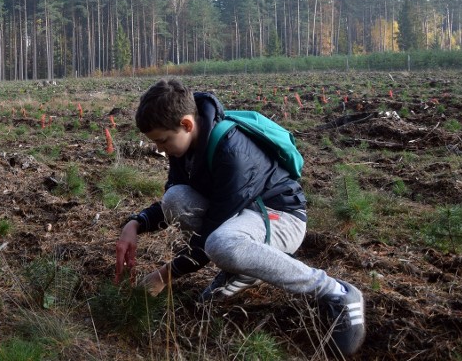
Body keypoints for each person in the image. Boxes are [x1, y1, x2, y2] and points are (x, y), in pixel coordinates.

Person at [115, 79, 366, 357]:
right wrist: (136, 223)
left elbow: (209, 235)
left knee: (221, 244)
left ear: (186, 124)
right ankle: (245, 270)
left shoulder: (232, 149)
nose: (161, 149)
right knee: (176, 198)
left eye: (163, 141)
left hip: (281, 217)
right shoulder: (185, 147)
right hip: (244, 215)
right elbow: (171, 201)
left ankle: (336, 292)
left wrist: (164, 276)